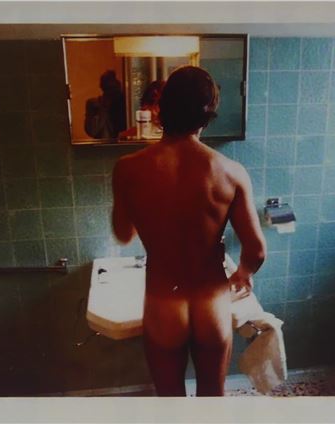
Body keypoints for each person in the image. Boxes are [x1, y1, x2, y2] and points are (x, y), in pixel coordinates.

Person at [111, 66, 266, 397]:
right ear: (207, 114)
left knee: (171, 403)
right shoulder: (232, 172)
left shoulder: (127, 168)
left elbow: (123, 234)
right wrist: (243, 273)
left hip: (163, 303)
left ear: (162, 108)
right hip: (211, 303)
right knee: (212, 398)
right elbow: (256, 250)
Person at [84, 70, 126, 139]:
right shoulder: (94, 104)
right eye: (109, 88)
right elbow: (92, 131)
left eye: (114, 88)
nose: (112, 92)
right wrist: (103, 108)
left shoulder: (125, 104)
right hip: (104, 144)